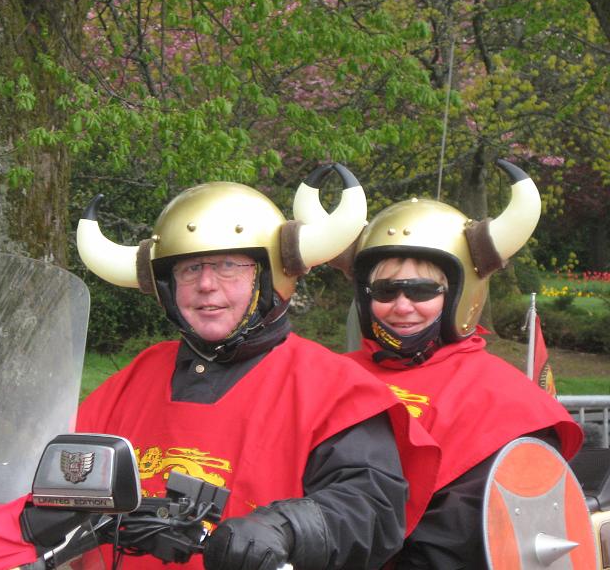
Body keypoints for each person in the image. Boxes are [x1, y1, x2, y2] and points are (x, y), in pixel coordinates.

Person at [75, 166, 440, 570]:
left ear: (268, 277)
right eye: (190, 269)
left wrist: (287, 528)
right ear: (168, 285)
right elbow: (65, 470)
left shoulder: (335, 387)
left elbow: (369, 506)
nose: (206, 284)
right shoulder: (134, 378)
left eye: (228, 265)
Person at [324, 159, 584, 568]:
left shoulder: (505, 398)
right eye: (386, 290)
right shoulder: (327, 373)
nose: (402, 306)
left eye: (422, 290)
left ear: (459, 295)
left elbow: (463, 536)